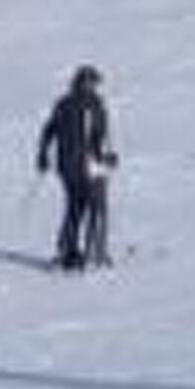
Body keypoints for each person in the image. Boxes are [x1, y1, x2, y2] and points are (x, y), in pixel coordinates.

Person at [35, 64, 117, 270]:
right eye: (93, 83)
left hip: (67, 166)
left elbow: (48, 130)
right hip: (86, 166)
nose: (95, 87)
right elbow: (96, 139)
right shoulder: (93, 106)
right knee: (96, 206)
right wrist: (107, 158)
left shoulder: (64, 103)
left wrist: (42, 154)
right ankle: (92, 253)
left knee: (75, 207)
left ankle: (67, 252)